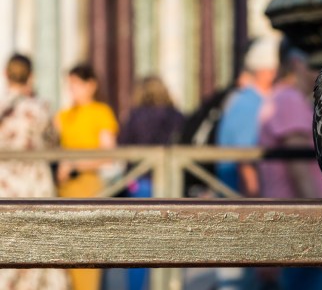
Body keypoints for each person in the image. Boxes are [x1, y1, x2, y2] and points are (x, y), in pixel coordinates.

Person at [258, 42, 322, 290]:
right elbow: (299, 169)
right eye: (317, 65)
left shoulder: (285, 98)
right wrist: (319, 225)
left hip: (296, 227)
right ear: (297, 65)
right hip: (301, 228)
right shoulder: (289, 100)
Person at [0, 54, 69, 290]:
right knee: (40, 246)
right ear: (31, 76)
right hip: (35, 183)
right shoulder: (40, 108)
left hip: (5, 183)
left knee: (7, 244)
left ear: (4, 74)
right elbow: (53, 144)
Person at [215, 38, 278, 290]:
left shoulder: (244, 100)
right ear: (266, 71)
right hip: (241, 212)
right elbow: (246, 163)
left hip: (237, 208)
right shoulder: (249, 104)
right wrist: (258, 220)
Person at [55, 63, 119, 290]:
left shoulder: (101, 112)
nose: (72, 90)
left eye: (77, 85)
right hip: (62, 189)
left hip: (88, 186)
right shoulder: (63, 115)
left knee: (85, 252)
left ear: (91, 85)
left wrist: (76, 165)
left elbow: (107, 154)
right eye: (70, 85)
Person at [118, 75, 185, 290]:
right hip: (170, 184)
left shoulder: (135, 116)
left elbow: (122, 145)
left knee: (138, 244)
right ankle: (171, 284)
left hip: (140, 183)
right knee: (170, 241)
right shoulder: (177, 116)